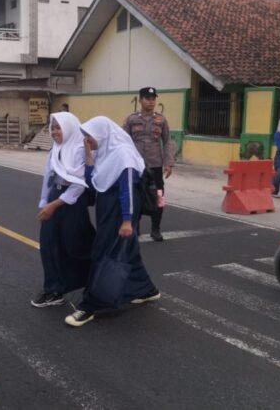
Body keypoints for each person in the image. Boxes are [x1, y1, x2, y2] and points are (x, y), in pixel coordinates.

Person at [65, 116, 160, 328]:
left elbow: (127, 189)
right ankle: (147, 290)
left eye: (89, 136)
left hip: (120, 211)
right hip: (107, 210)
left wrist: (127, 221)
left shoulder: (123, 155)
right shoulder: (105, 154)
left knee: (105, 253)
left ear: (102, 134)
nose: (87, 140)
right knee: (128, 251)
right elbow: (93, 183)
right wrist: (89, 157)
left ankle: (90, 306)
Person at [31, 112, 95, 308]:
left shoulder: (79, 149)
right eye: (53, 127)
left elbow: (80, 184)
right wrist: (44, 201)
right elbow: (48, 177)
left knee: (75, 245)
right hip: (54, 197)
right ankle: (53, 289)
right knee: (48, 244)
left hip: (72, 201)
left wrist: (54, 204)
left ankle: (97, 278)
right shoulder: (55, 148)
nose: (55, 132)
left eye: (59, 127)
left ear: (68, 127)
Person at [122, 87, 175, 241]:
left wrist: (169, 162)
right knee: (135, 195)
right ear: (140, 100)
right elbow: (123, 141)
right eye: (147, 98)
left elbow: (167, 141)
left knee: (158, 195)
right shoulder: (131, 119)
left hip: (155, 165)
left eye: (153, 99)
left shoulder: (161, 120)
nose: (151, 102)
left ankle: (156, 228)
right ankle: (135, 226)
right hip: (136, 165)